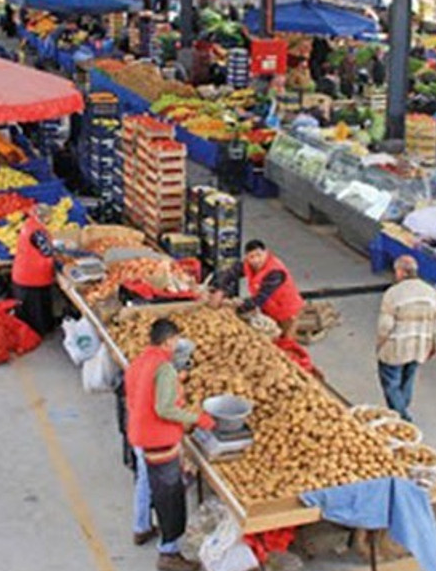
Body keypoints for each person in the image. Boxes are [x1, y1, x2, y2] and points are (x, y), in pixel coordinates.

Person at [125, 319, 214, 571]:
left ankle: (141, 528)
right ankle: (169, 553)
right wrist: (199, 418)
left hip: (138, 434)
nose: (177, 344)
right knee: (170, 496)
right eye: (175, 340)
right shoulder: (164, 368)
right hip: (158, 442)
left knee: (144, 481)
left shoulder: (140, 361)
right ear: (167, 342)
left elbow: (134, 396)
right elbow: (164, 408)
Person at [375, 256, 436, 422]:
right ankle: (401, 408)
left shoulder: (393, 293)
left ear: (400, 272)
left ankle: (402, 418)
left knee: (391, 384)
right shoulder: (431, 292)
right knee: (407, 380)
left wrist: (380, 344)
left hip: (396, 347)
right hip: (420, 346)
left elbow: (385, 326)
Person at [211, 240, 306, 340]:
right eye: (252, 257)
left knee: (285, 342)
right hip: (270, 308)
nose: (256, 260)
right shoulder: (248, 265)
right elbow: (231, 273)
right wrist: (220, 290)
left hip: (287, 310)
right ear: (247, 257)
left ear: (266, 253)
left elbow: (260, 298)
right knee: (271, 339)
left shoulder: (275, 272)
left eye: (259, 255)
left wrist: (234, 306)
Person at [11, 207, 58, 336]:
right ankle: (36, 333)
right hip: (33, 276)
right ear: (44, 217)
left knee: (29, 309)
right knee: (37, 308)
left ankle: (30, 332)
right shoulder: (37, 232)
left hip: (23, 273)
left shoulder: (29, 224)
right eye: (49, 218)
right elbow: (47, 251)